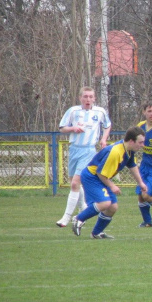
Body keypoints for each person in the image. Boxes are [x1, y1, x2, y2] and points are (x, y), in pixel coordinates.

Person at [72, 127, 147, 239]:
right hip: (92, 177)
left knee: (112, 207)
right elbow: (100, 173)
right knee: (104, 203)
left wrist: (141, 182)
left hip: (100, 177)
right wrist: (112, 186)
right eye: (140, 142)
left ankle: (96, 233)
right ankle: (79, 219)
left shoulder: (128, 150)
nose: (142, 145)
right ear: (131, 141)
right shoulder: (116, 152)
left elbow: (132, 166)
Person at [56, 86, 111, 227]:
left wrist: (103, 139)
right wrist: (73, 128)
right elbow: (62, 128)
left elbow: (107, 125)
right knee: (74, 183)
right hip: (74, 149)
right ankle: (83, 209)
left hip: (89, 150)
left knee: (75, 183)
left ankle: (66, 218)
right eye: (85, 96)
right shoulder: (73, 111)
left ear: (94, 98)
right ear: (80, 97)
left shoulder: (100, 112)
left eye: (90, 97)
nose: (88, 99)